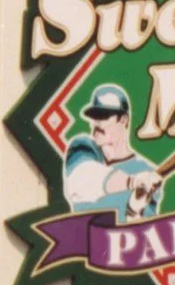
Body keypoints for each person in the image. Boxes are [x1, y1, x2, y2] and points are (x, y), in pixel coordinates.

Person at [63, 84, 164, 221]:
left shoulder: (145, 171)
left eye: (103, 116)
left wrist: (133, 210)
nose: (96, 124)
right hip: (82, 240)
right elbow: (84, 178)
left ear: (123, 120)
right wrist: (132, 181)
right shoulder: (83, 148)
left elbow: (143, 233)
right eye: (94, 117)